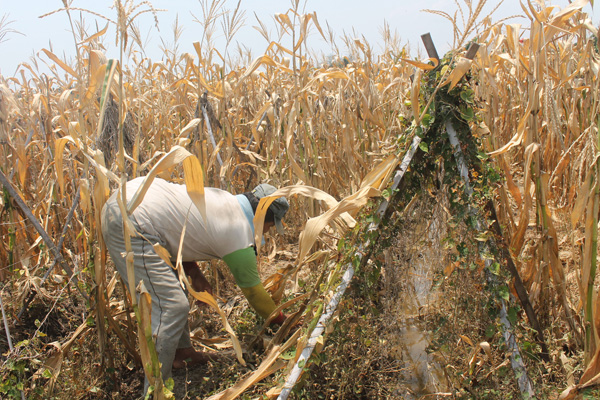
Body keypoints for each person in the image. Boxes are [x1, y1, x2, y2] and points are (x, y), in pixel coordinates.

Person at [100, 177, 289, 392]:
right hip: (131, 220)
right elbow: (254, 293)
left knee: (172, 285)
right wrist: (283, 321)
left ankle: (181, 353)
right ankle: (155, 391)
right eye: (271, 226)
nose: (267, 232)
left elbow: (178, 227)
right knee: (172, 306)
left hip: (131, 201)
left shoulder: (226, 200)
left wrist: (194, 272)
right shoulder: (240, 232)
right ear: (263, 217)